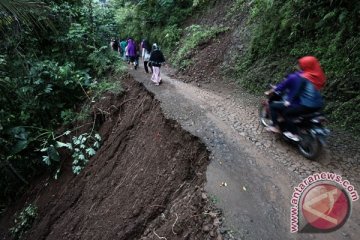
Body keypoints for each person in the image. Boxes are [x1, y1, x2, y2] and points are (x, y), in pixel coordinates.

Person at [266, 56, 326, 141]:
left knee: (286, 112)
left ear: (305, 66)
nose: (300, 66)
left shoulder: (302, 77)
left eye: (301, 64)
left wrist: (289, 101)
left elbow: (296, 91)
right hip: (319, 105)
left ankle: (291, 132)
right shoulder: (317, 77)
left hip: (306, 104)